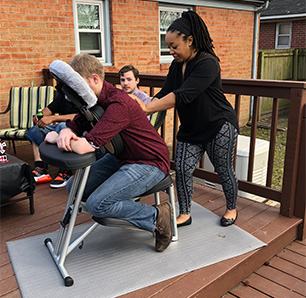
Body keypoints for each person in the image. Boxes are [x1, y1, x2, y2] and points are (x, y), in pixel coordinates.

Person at [46, 53, 173, 252]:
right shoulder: (94, 101)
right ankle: (125, 207)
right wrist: (66, 131)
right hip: (122, 158)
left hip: (150, 162)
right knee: (74, 187)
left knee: (98, 204)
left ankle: (157, 216)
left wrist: (60, 138)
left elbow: (85, 145)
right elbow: (76, 124)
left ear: (94, 79)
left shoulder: (118, 104)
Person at [134, 11, 239, 227]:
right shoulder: (176, 65)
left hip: (218, 125)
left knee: (223, 169)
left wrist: (147, 107)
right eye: (168, 47)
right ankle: (185, 212)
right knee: (182, 169)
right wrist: (145, 109)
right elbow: (166, 92)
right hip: (191, 128)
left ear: (189, 40)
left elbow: (183, 95)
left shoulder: (208, 63)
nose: (171, 51)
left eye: (174, 46)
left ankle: (231, 208)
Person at [25, 93, 78, 188]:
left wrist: (53, 118)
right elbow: (47, 110)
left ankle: (65, 171)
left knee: (62, 126)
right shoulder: (64, 95)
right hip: (60, 127)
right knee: (36, 129)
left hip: (78, 129)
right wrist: (39, 117)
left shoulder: (83, 95)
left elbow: (79, 116)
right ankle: (40, 167)